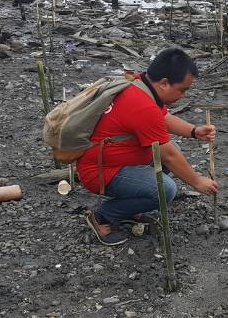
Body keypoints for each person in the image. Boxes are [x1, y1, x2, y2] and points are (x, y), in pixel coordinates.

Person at [78, 47, 219, 246]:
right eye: (182, 89)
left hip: (109, 160)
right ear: (164, 83)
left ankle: (132, 208)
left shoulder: (139, 84)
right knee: (166, 190)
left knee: (173, 160)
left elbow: (164, 117)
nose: (183, 96)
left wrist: (194, 131)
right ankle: (103, 216)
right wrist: (197, 182)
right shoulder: (142, 105)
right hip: (100, 172)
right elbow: (168, 154)